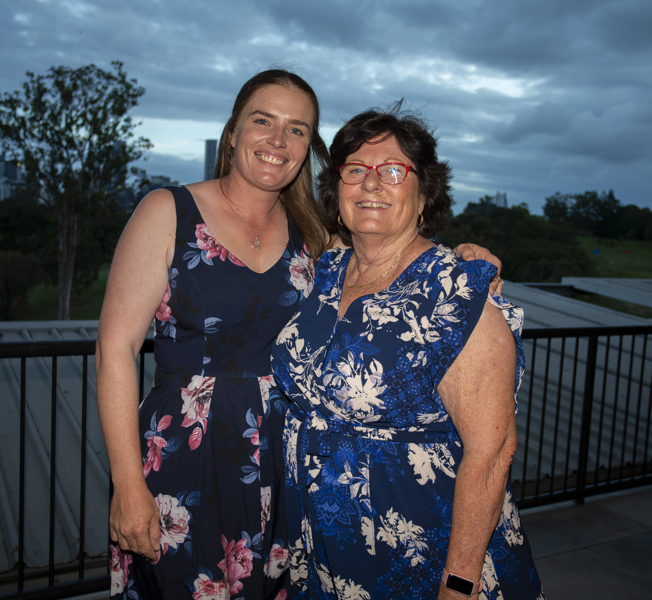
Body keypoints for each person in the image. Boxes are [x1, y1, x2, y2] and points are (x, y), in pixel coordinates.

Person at [96, 70, 503, 600]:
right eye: (262, 121)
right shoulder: (167, 211)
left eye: (297, 130)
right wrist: (128, 484)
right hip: (185, 456)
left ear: (308, 149)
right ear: (233, 132)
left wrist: (466, 257)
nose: (277, 140)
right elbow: (115, 350)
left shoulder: (314, 235)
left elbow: (389, 254)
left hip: (285, 464)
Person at [272, 107, 544, 599]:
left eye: (394, 170)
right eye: (356, 169)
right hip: (326, 545)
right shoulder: (329, 270)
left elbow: (492, 453)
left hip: (419, 547)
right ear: (337, 191)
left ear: (424, 196)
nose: (371, 182)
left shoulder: (456, 295)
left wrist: (458, 584)